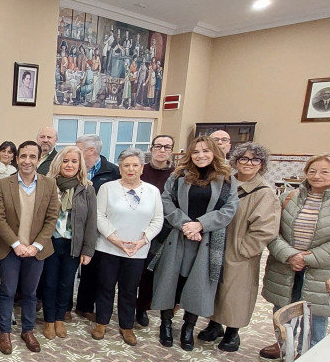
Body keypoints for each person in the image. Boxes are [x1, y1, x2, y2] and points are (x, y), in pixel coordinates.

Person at [259, 153, 330, 357]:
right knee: (283, 305)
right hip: (286, 264)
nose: (317, 175)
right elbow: (271, 231)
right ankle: (284, 344)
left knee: (317, 312)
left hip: (325, 267)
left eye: (325, 171)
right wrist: (290, 255)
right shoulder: (288, 198)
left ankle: (308, 351)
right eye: (312, 171)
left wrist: (307, 258)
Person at [149, 136, 238, 350]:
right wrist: (186, 224)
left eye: (205, 151)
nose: (200, 155)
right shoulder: (178, 175)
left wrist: (200, 225)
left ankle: (189, 328)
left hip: (206, 240)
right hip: (178, 236)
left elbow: (229, 209)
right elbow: (166, 200)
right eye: (196, 152)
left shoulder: (226, 179)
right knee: (170, 281)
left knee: (198, 286)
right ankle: (166, 324)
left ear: (214, 152)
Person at [196, 143, 280, 352]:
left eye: (255, 160)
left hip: (240, 250)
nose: (248, 164)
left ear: (262, 164)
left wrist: (244, 249)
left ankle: (233, 331)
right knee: (215, 287)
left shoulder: (263, 192)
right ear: (235, 161)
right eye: (244, 159)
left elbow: (265, 228)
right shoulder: (225, 182)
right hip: (216, 244)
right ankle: (215, 325)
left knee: (236, 293)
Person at [0, 141, 60, 354]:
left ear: (39, 159)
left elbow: (51, 219)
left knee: (31, 293)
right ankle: (5, 332)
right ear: (16, 158)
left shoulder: (49, 184)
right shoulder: (4, 184)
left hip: (36, 250)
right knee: (8, 291)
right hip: (10, 249)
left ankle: (27, 330)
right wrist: (16, 244)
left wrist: (36, 246)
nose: (27, 161)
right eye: (23, 156)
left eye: (32, 156)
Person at [92, 148, 164, 346]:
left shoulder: (152, 191)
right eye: (126, 165)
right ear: (120, 168)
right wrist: (114, 238)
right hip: (109, 246)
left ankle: (126, 326)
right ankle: (101, 322)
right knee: (105, 287)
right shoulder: (108, 188)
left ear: (142, 168)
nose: (130, 169)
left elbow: (158, 220)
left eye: (135, 165)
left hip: (137, 249)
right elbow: (99, 215)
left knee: (129, 289)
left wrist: (143, 240)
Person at [42, 146, 97, 340]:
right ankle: (48, 319)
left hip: (73, 245)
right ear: (59, 163)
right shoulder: (48, 184)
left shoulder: (87, 189)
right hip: (50, 242)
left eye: (74, 161)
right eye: (66, 161)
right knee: (49, 283)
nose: (69, 165)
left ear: (80, 165)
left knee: (66, 284)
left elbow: (91, 221)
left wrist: (88, 249)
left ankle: (60, 319)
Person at [73, 134, 120, 321]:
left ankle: (87, 306)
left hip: (102, 228)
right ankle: (71, 306)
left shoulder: (113, 172)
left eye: (79, 149)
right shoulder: (74, 168)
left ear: (91, 150)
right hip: (76, 225)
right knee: (71, 268)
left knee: (95, 269)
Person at [136, 134, 175, 326]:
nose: (162, 150)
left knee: (151, 272)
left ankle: (142, 307)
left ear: (171, 151)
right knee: (136, 270)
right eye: (158, 146)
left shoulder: (176, 175)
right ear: (151, 148)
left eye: (166, 147)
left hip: (164, 230)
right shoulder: (139, 170)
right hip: (136, 225)